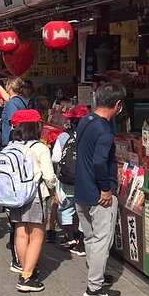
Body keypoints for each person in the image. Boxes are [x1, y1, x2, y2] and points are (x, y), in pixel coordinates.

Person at [74, 82, 126, 296]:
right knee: (101, 240)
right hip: (98, 195)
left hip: (81, 190)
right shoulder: (104, 130)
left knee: (90, 237)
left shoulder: (86, 120)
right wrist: (106, 189)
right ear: (118, 104)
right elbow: (99, 162)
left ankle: (96, 275)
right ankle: (94, 288)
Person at [8, 109, 57, 292]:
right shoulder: (40, 148)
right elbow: (49, 177)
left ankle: (25, 267)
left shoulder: (12, 146)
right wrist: (53, 189)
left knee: (21, 234)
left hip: (16, 197)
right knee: (37, 236)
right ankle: (26, 277)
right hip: (36, 196)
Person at [51, 104, 90, 255]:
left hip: (67, 181)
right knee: (83, 211)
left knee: (65, 209)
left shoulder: (63, 137)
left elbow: (55, 158)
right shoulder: (91, 135)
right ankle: (81, 243)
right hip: (85, 180)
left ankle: (70, 237)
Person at [1, 77, 29, 146]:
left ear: (10, 86)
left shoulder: (12, 103)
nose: (5, 86)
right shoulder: (22, 100)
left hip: (11, 141)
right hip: (22, 138)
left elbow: (14, 123)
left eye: (6, 84)